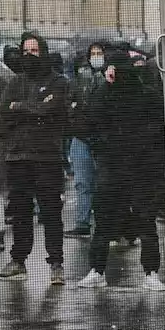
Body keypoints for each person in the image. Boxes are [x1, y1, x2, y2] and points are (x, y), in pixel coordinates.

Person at [76, 47, 165, 289]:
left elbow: (87, 126)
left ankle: (100, 270)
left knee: (110, 221)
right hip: (133, 166)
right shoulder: (142, 94)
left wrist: (102, 147)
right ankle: (147, 273)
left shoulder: (109, 93)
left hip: (120, 166)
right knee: (140, 221)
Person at [0, 32, 71, 285]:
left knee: (50, 211)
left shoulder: (58, 81)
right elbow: (3, 117)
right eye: (25, 50)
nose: (28, 55)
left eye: (34, 50)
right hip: (18, 158)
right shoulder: (14, 82)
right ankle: (18, 260)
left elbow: (50, 110)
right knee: (20, 212)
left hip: (47, 158)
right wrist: (30, 109)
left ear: (44, 52)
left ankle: (56, 263)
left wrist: (20, 108)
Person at [65, 41, 107, 238]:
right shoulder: (79, 81)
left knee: (102, 183)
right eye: (94, 53)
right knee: (83, 182)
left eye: (100, 53)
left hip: (101, 139)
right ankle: (82, 223)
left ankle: (104, 224)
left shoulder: (107, 79)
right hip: (82, 137)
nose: (96, 56)